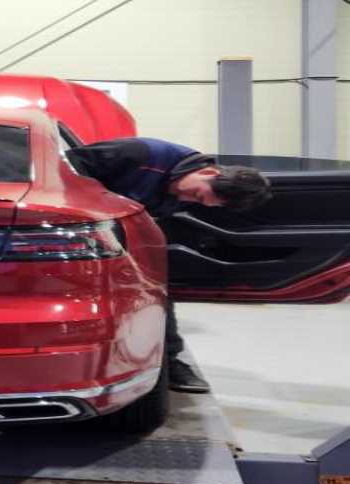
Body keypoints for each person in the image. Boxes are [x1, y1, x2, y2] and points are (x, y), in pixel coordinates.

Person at [65, 137, 272, 393]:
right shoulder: (142, 155)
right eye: (197, 195)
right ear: (209, 172)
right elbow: (64, 167)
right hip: (70, 233)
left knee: (157, 293)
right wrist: (98, 205)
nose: (190, 200)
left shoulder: (190, 188)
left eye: (199, 202)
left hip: (112, 243)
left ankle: (168, 362)